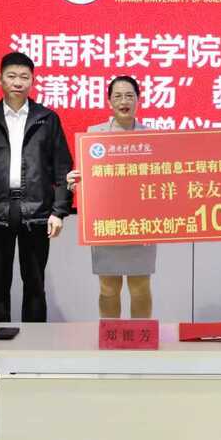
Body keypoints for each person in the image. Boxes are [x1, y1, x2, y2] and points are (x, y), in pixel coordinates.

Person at [0, 52, 72, 322]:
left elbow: (63, 169)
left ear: (33, 81)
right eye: (11, 76)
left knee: (35, 283)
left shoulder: (47, 119)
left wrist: (59, 211)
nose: (18, 82)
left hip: (37, 212)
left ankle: (34, 344)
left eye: (24, 77)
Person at [67, 76, 155, 319]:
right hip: (106, 224)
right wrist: (74, 182)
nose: (124, 101)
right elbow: (86, 178)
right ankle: (111, 335)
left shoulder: (151, 136)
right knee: (108, 288)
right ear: (109, 101)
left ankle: (140, 336)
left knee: (140, 288)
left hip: (141, 224)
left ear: (138, 99)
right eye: (118, 96)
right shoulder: (94, 134)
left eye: (129, 96)